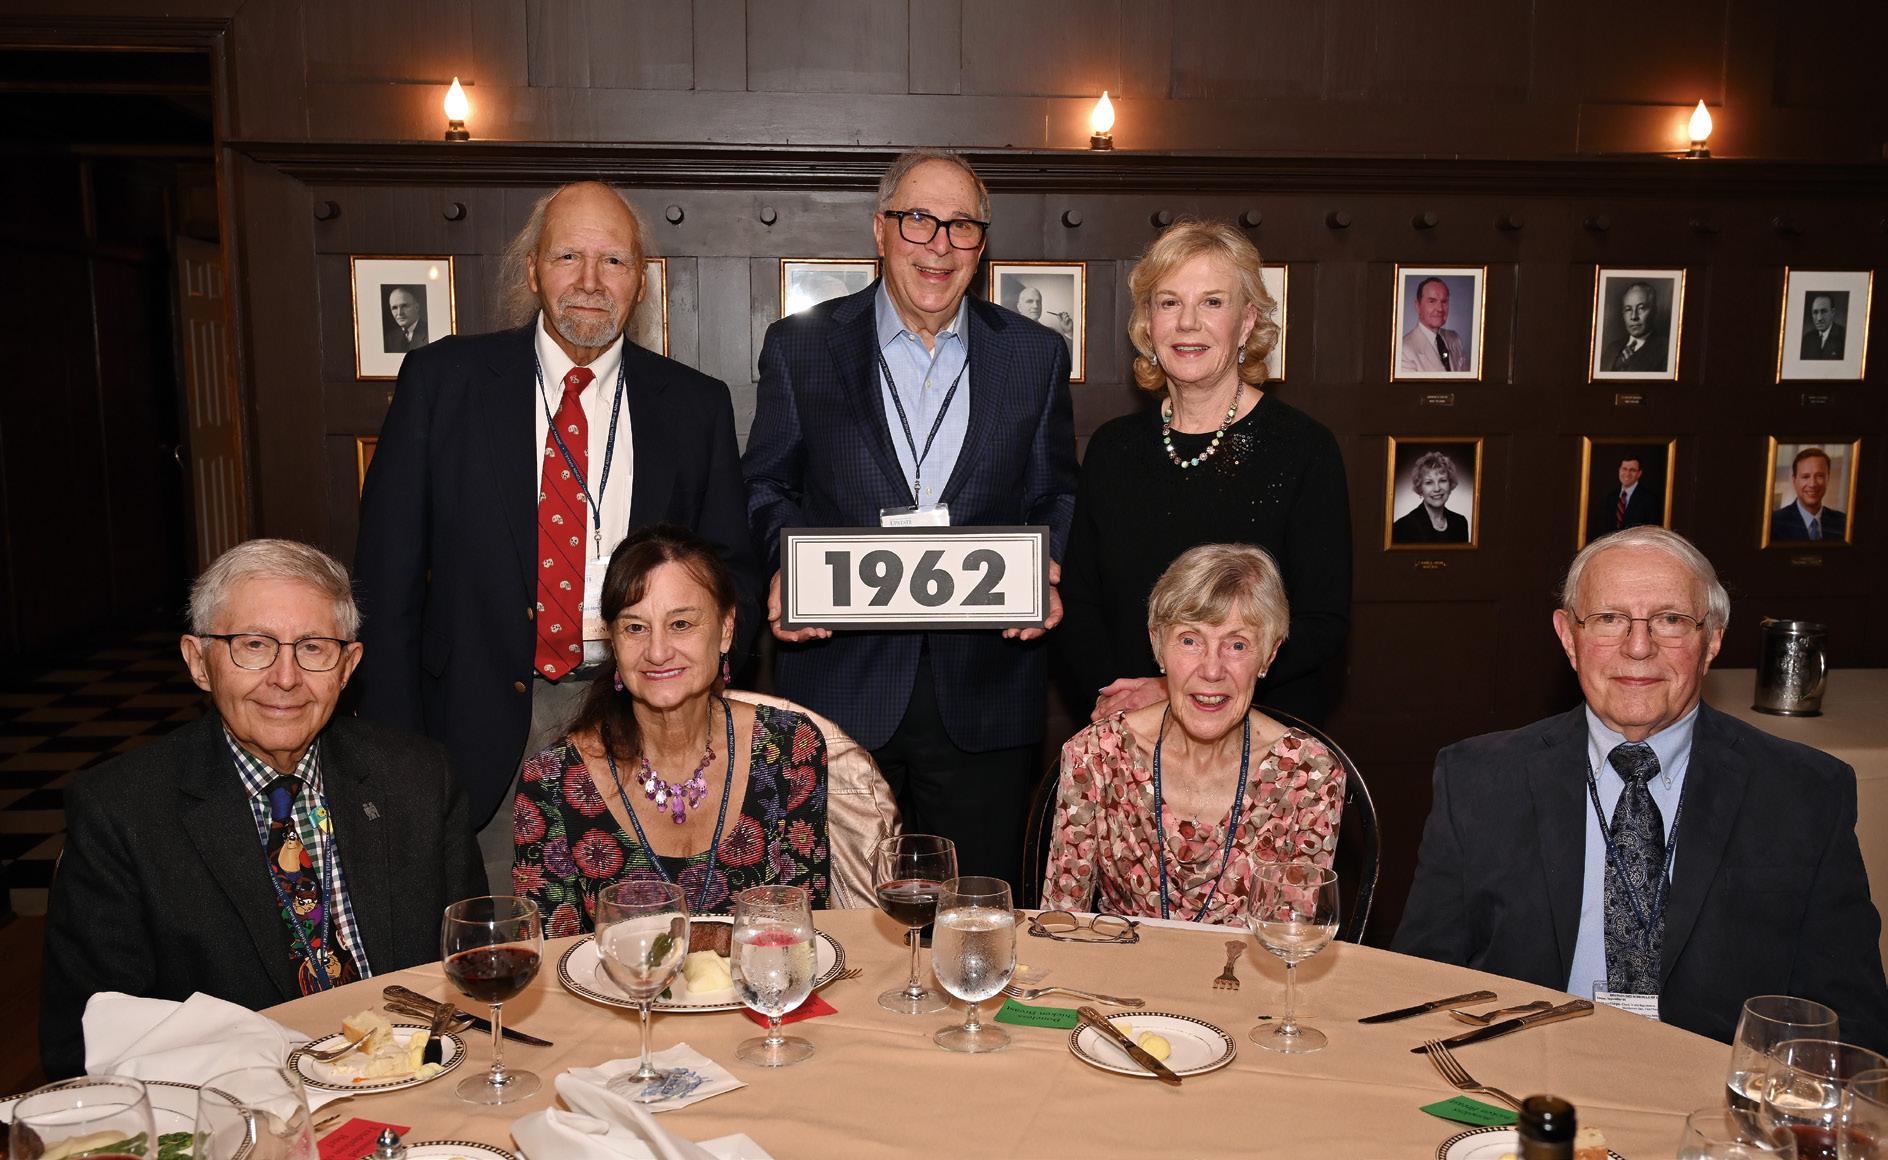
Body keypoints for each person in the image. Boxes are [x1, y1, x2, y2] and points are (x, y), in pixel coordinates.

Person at [354, 181, 760, 894]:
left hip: (642, 717)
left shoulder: (695, 406)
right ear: (534, 270)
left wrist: (701, 700)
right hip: (476, 724)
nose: (590, 281)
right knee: (497, 933)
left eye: (614, 261)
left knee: (640, 924)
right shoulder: (444, 382)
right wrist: (395, 755)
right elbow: (385, 582)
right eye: (569, 256)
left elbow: (731, 574)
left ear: (640, 281)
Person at [1394, 526, 1888, 1051]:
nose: (1638, 648)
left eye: (1670, 620)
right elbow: (1417, 983)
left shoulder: (1804, 793)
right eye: (1609, 619)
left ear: (1712, 640)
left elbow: (1853, 1026)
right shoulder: (1479, 780)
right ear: (1568, 637)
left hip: (1715, 1088)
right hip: (1522, 1076)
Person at [742, 148, 1077, 890]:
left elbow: (1055, 492)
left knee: (978, 916)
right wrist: (785, 566)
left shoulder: (1035, 355)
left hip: (986, 691)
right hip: (841, 686)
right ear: (881, 229)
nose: (939, 245)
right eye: (919, 220)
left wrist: (1045, 565)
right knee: (840, 919)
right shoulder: (801, 347)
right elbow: (767, 483)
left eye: (962, 227)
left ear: (981, 245)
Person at [40, 540, 481, 1078]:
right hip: (235, 1100)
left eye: (313, 648)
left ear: (347, 667)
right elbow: (86, 1046)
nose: (286, 678)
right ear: (199, 662)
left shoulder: (418, 778)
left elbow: (472, 969)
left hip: (418, 1077)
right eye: (253, 645)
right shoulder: (121, 812)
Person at [1057, 217, 1350, 726]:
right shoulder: (1112, 448)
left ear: (1247, 321)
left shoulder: (1303, 449)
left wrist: (1174, 690)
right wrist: (1120, 703)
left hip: (1260, 732)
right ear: (1148, 324)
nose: (1187, 323)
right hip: (1127, 729)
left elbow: (1321, 622)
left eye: (1212, 302)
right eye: (1169, 302)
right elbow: (1081, 604)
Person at [513, 525, 829, 935]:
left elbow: (803, 931)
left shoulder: (789, 748)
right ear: (612, 640)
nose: (658, 652)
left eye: (681, 624)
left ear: (726, 629)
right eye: (635, 627)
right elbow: (557, 958)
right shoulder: (551, 780)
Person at [1043, 544, 1343, 925]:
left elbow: (1291, 941)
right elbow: (1059, 925)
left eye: (1237, 645)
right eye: (1189, 640)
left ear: (1269, 655)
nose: (1212, 670)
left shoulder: (1309, 774)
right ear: (1158, 645)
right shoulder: (1096, 756)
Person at [1770, 446, 1848, 542]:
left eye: (1820, 476)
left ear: (1827, 479)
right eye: (1805, 477)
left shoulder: (1843, 522)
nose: (1812, 484)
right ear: (1794, 480)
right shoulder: (1774, 523)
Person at [1390, 450, 1470, 545]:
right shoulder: (1403, 527)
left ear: (1450, 484)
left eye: (1442, 480)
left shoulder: (1460, 523)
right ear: (1420, 488)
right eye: (1429, 482)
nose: (1437, 488)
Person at [1398, 277, 1468, 374]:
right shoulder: (1403, 350)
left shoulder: (1455, 338)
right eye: (1432, 301)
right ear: (1418, 306)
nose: (1440, 309)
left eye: (1444, 301)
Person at [1586, 452, 1659, 542]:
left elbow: (1651, 533)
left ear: (1639, 473)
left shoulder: (1649, 499)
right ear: (1619, 470)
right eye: (1624, 469)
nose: (1627, 473)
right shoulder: (1611, 497)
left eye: (1632, 470)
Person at [1602, 281, 1665, 373]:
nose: (1634, 316)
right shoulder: (1611, 349)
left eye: (1641, 308)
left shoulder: (1666, 350)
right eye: (1628, 309)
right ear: (1623, 314)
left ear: (1654, 311)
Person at [1015, 284, 1075, 357]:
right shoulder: (1011, 333)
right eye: (1030, 301)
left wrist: (1069, 332)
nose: (1036, 306)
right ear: (1019, 307)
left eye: (1038, 302)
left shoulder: (1052, 333)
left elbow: (1069, 357)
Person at [1801, 294, 1846, 360]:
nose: (1819, 318)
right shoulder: (1807, 339)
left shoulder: (1844, 336)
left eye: (1824, 312)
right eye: (1815, 312)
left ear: (1832, 312)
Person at [384, 285, 428, 353]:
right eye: (394, 308)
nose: (399, 313)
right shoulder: (390, 339)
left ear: (417, 307)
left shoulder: (429, 332)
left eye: (404, 306)